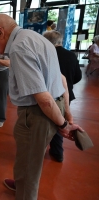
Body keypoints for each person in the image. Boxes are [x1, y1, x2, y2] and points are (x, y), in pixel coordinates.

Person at [0, 14, 83, 200]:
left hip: (37, 114)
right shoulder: (37, 37)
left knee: (30, 166)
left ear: (0, 32)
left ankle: (25, 192)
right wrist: (66, 113)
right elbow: (61, 80)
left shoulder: (18, 47)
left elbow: (44, 99)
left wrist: (64, 125)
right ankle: (21, 183)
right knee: (31, 158)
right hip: (56, 105)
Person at [43, 30, 82, 162]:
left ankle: (40, 150)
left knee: (51, 122)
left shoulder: (47, 55)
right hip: (67, 94)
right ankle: (57, 152)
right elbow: (78, 76)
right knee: (62, 121)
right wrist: (69, 84)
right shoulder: (71, 55)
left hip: (50, 95)